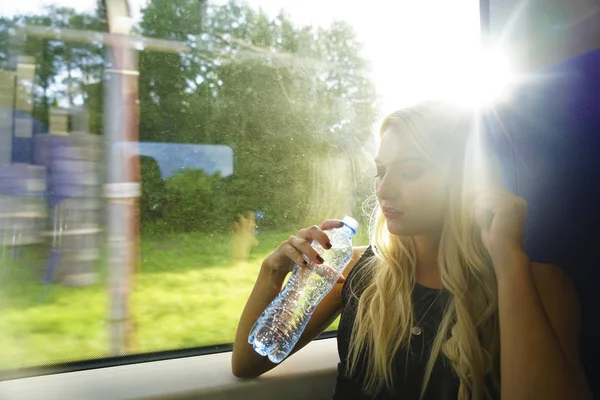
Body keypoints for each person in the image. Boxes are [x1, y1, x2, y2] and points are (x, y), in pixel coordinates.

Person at [231, 102, 592, 399]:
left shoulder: (536, 286)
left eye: (411, 172)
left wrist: (508, 260)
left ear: (464, 179)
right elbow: (247, 363)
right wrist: (273, 272)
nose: (384, 190)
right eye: (381, 171)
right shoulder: (355, 272)